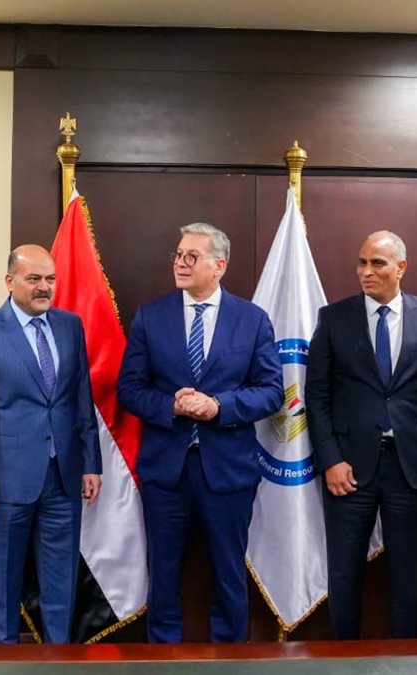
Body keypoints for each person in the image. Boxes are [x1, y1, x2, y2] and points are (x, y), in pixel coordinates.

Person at [118, 222, 282, 643]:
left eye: (192, 256)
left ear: (219, 265)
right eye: (177, 255)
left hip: (228, 471)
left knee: (228, 573)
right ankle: (162, 659)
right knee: (164, 572)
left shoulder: (252, 320)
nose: (180, 263)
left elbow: (271, 392)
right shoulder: (151, 317)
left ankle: (229, 659)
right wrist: (170, 405)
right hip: (165, 473)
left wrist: (218, 406)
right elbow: (129, 389)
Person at [305, 231, 417, 639]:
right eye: (362, 263)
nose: (366, 271)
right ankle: (344, 655)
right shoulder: (334, 318)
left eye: (377, 263)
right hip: (349, 467)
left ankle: (406, 658)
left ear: (400, 268)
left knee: (409, 570)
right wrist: (331, 459)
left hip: (412, 466)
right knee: (344, 570)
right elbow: (316, 395)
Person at [0, 244, 102, 644]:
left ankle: (57, 664)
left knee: (61, 585)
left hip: (63, 478)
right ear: (9, 281)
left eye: (50, 279)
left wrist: (91, 462)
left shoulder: (70, 326)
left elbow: (80, 399)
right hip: (5, 485)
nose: (44, 287)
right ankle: (3, 664)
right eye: (33, 279)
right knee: (3, 588)